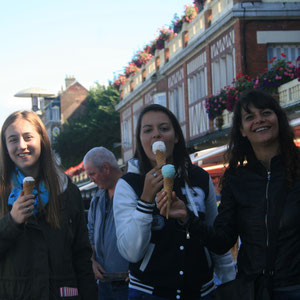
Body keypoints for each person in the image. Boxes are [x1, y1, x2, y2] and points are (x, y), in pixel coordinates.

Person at [157, 90, 300, 300]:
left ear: (278, 118)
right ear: (242, 130)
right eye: (250, 117)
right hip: (253, 289)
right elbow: (222, 241)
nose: (259, 120)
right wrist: (187, 217)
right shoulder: (237, 179)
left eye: (266, 113)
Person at [113, 104, 236, 300]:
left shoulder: (200, 178)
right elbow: (131, 252)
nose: (156, 135)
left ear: (176, 136)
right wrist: (145, 200)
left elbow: (215, 234)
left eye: (164, 128)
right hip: (149, 292)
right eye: (148, 130)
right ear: (140, 140)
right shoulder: (128, 184)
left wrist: (229, 279)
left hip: (202, 291)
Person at [0, 110, 97, 300]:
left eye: (28, 137)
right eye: (13, 139)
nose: (21, 145)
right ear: (5, 146)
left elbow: (82, 257)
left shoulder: (68, 192)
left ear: (42, 140)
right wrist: (12, 221)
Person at [84, 147, 129, 300]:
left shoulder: (133, 191)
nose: (91, 179)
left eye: (92, 174)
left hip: (128, 284)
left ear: (106, 168)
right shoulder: (97, 199)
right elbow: (89, 233)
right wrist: (92, 260)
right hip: (104, 284)